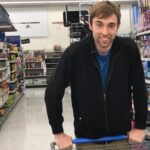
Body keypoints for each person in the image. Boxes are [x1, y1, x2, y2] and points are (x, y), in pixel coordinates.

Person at [45, 1, 147, 149]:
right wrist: (58, 132)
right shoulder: (74, 53)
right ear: (90, 25)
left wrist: (139, 126)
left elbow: (139, 88)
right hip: (87, 140)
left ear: (118, 26)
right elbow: (53, 92)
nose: (105, 32)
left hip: (121, 137)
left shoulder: (129, 50)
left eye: (111, 25)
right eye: (99, 24)